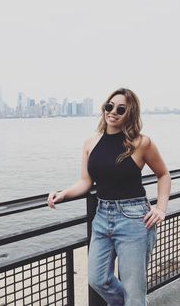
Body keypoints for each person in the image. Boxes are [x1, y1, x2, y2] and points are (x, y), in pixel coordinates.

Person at [47, 88, 171, 306]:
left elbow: (163, 174)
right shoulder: (90, 143)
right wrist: (63, 194)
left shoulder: (141, 143)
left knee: (134, 290)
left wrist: (160, 208)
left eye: (121, 109)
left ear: (130, 113)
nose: (113, 112)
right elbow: (86, 181)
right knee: (97, 279)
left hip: (135, 219)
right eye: (109, 106)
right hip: (102, 217)